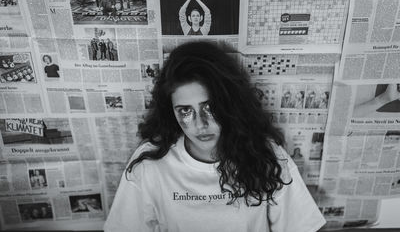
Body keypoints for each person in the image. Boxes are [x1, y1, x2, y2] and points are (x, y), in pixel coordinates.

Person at [104, 41, 325, 232]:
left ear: (229, 102)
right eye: (185, 110)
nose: (200, 124)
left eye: (209, 107)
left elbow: (300, 225)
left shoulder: (265, 154)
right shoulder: (150, 162)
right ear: (170, 111)